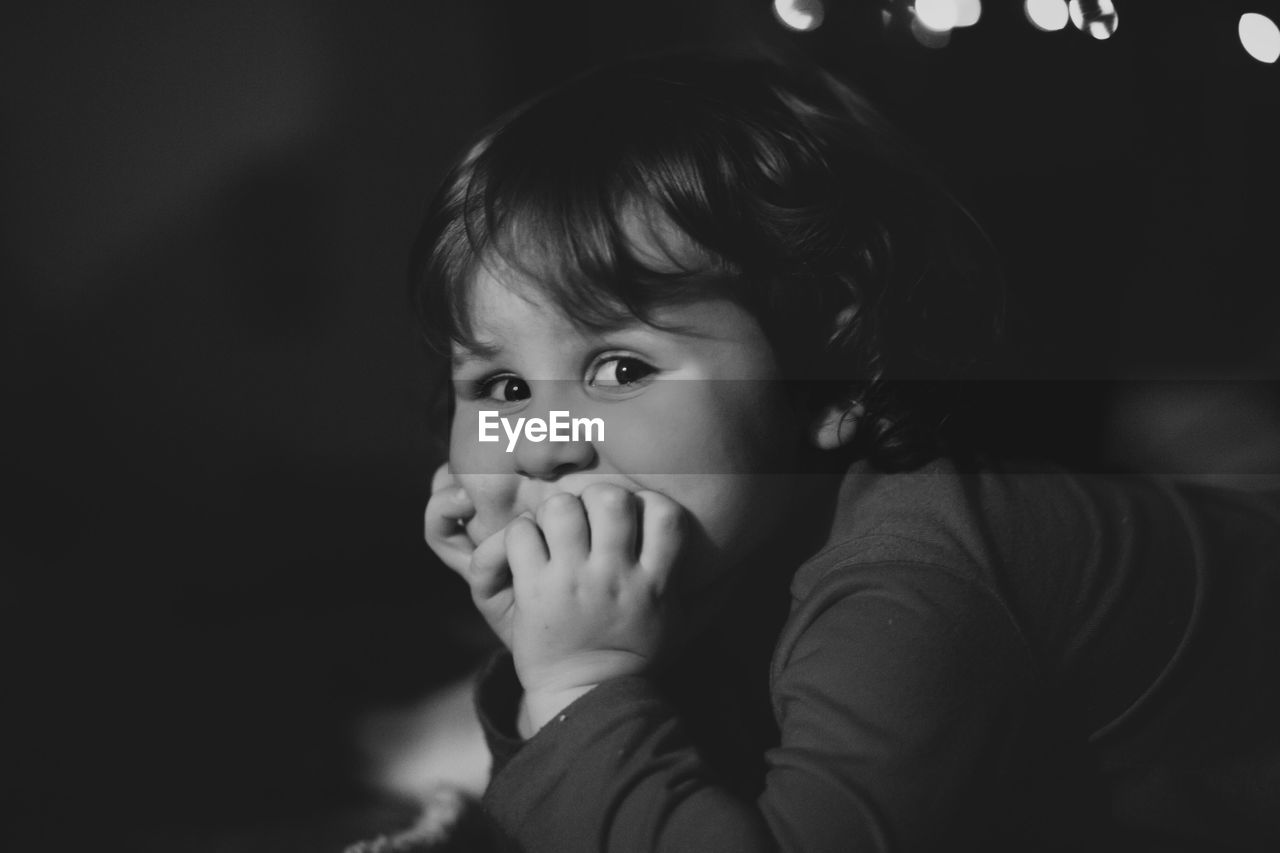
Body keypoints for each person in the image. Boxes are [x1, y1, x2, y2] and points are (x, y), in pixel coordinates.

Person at [412, 52, 1280, 851]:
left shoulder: (915, 572)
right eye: (501, 389)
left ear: (826, 383)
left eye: (619, 367)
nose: (541, 444)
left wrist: (580, 688)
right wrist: (541, 665)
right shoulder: (733, 551)